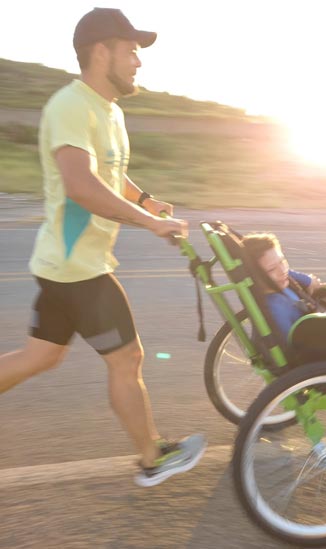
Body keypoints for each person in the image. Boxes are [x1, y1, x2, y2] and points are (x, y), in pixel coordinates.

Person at [0, 8, 206, 488]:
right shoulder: (71, 106)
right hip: (78, 267)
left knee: (41, 356)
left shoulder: (108, 110)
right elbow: (81, 185)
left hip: (65, 262)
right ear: (100, 52)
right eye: (131, 50)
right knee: (127, 358)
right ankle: (153, 458)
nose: (138, 60)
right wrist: (149, 224)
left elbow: (111, 172)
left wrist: (146, 200)